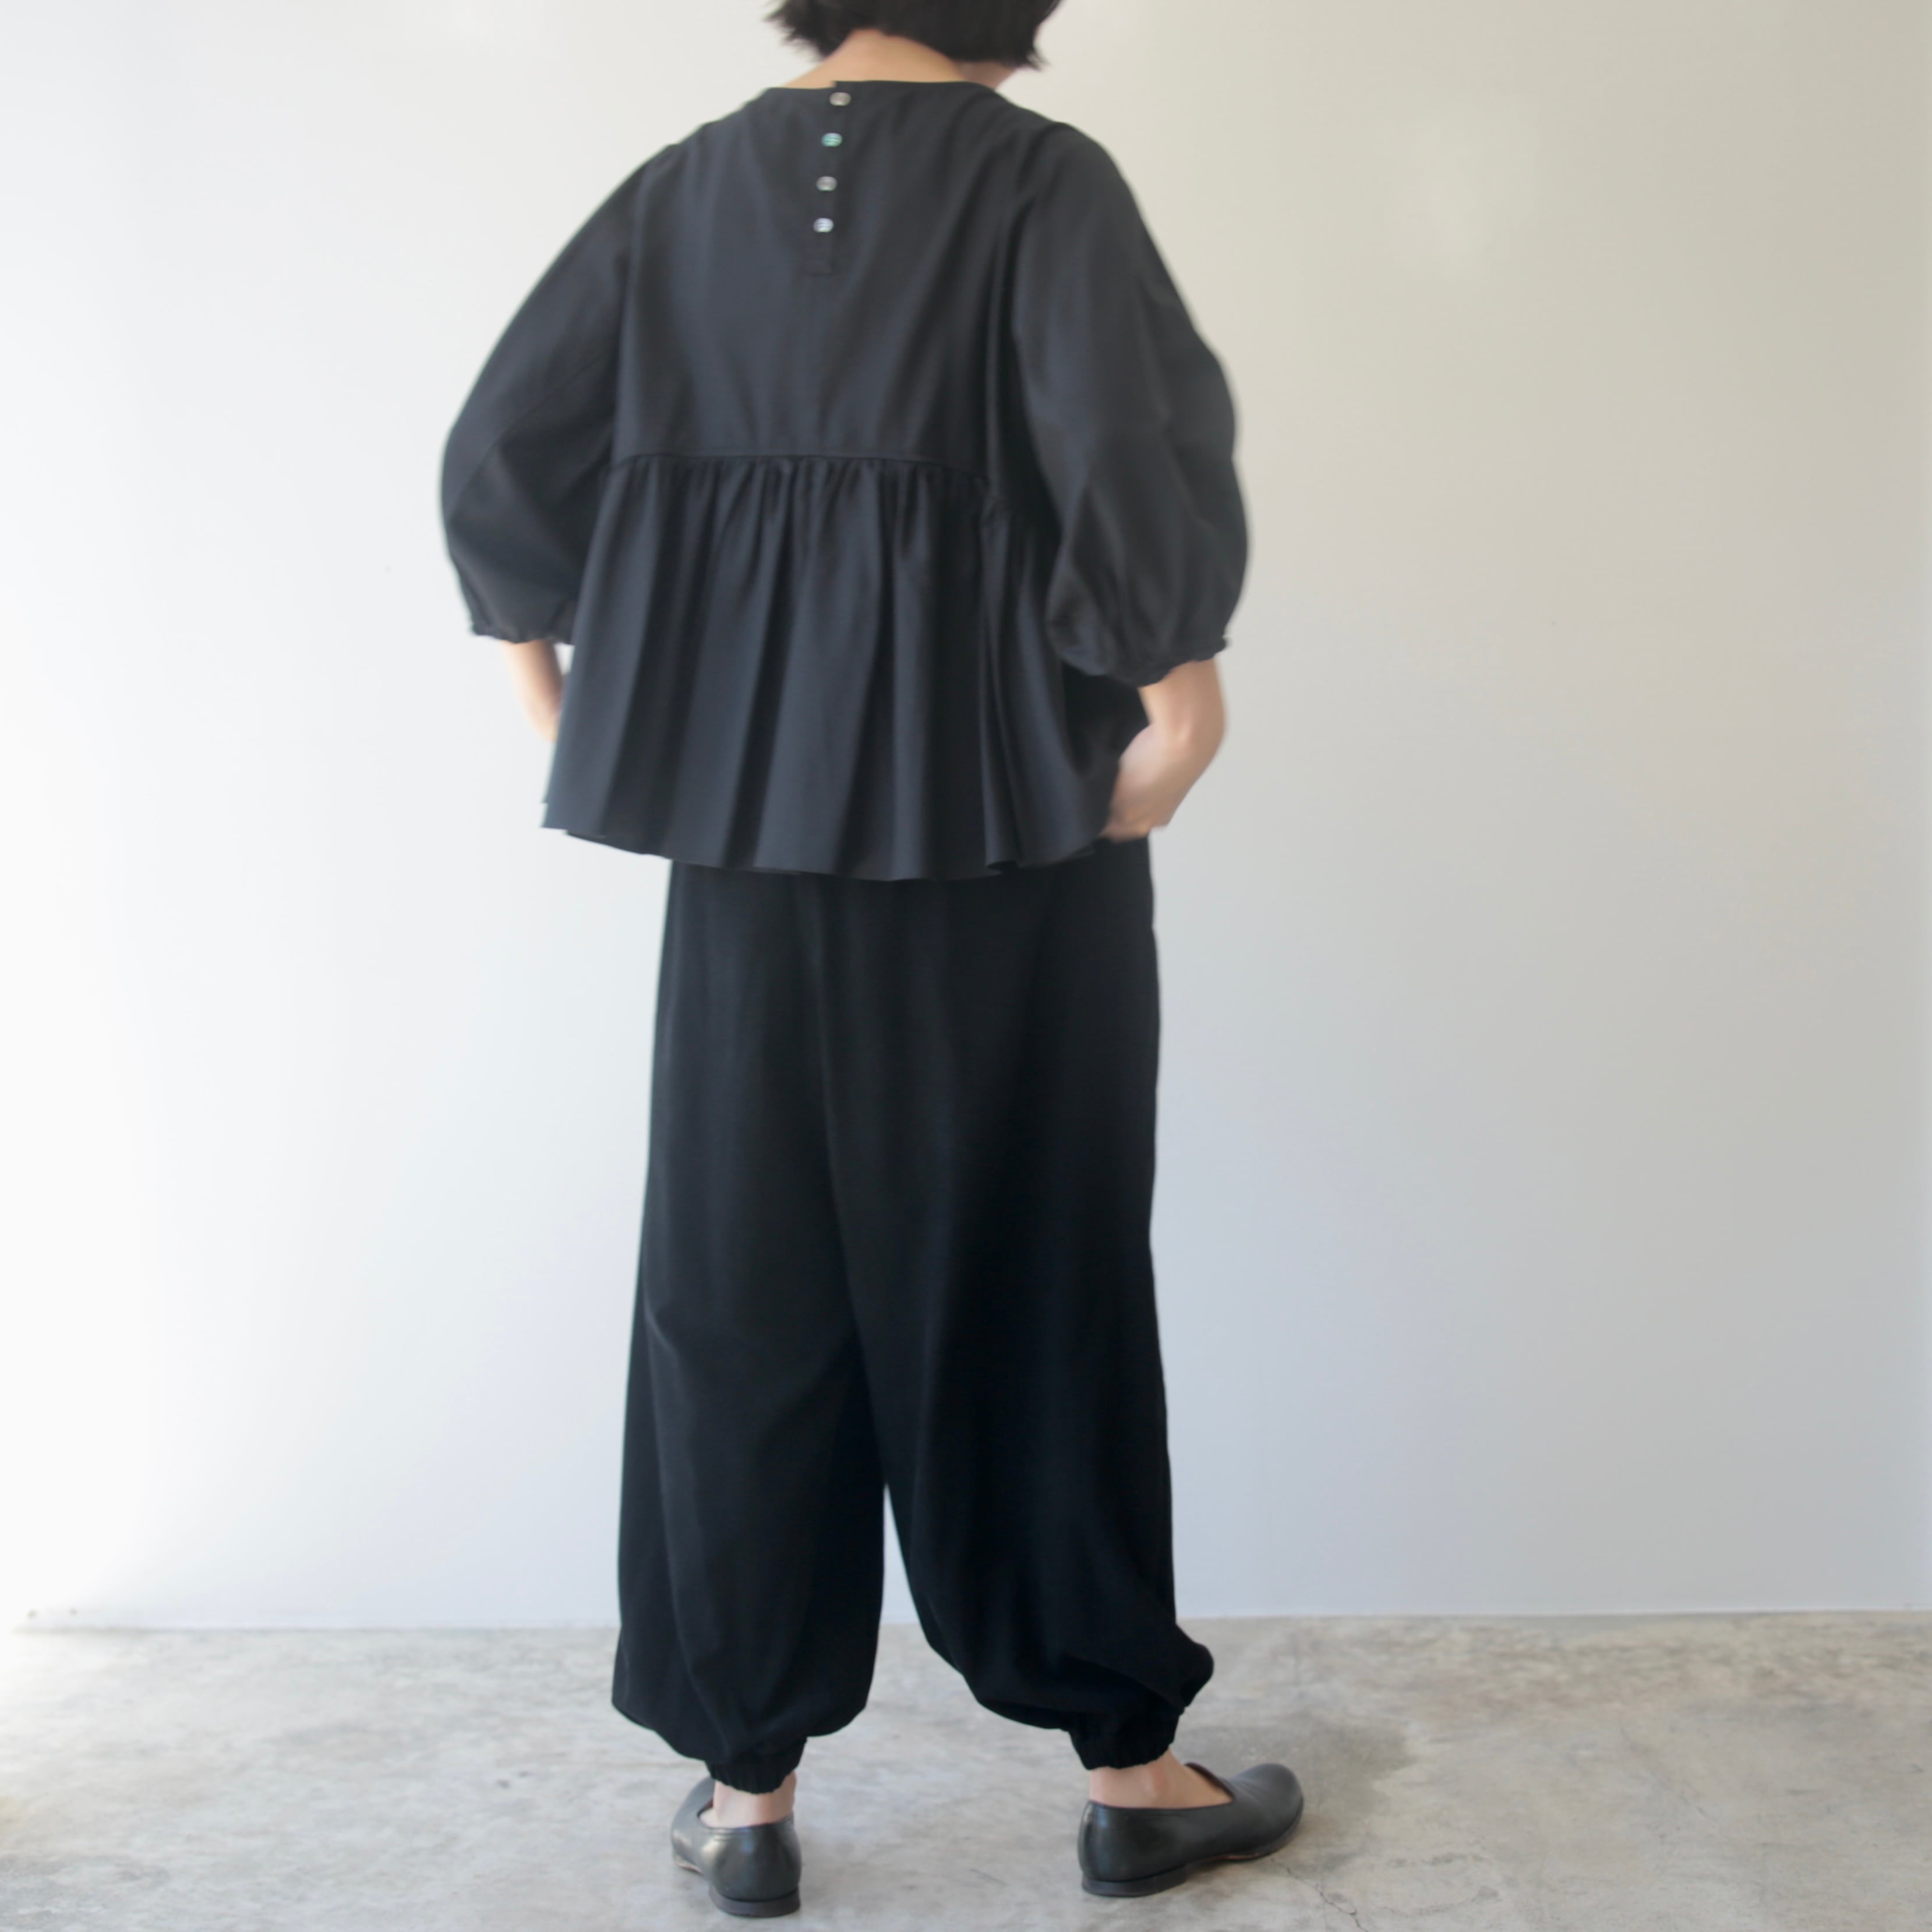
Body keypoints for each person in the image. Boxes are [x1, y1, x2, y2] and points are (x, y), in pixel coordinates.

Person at [440, 0, 1302, 1913]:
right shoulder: (1042, 185)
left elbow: (500, 455)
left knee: (741, 1282)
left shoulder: (680, 193)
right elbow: (1121, 440)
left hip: (747, 837)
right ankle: (1133, 1774)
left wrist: (564, 704)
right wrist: (1184, 696)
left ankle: (746, 1796)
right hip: (1013, 818)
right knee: (1034, 1273)